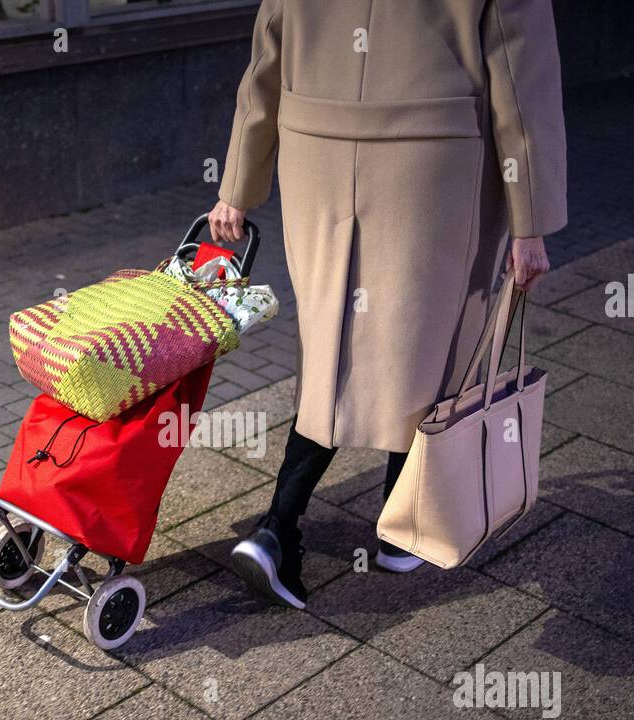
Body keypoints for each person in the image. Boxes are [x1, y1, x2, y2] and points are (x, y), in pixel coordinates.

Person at [208, 0, 567, 609]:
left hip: (315, 155)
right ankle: (401, 527)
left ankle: (278, 529)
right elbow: (519, 71)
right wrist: (530, 221)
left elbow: (267, 52)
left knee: (330, 346)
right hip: (431, 162)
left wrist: (236, 189)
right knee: (428, 340)